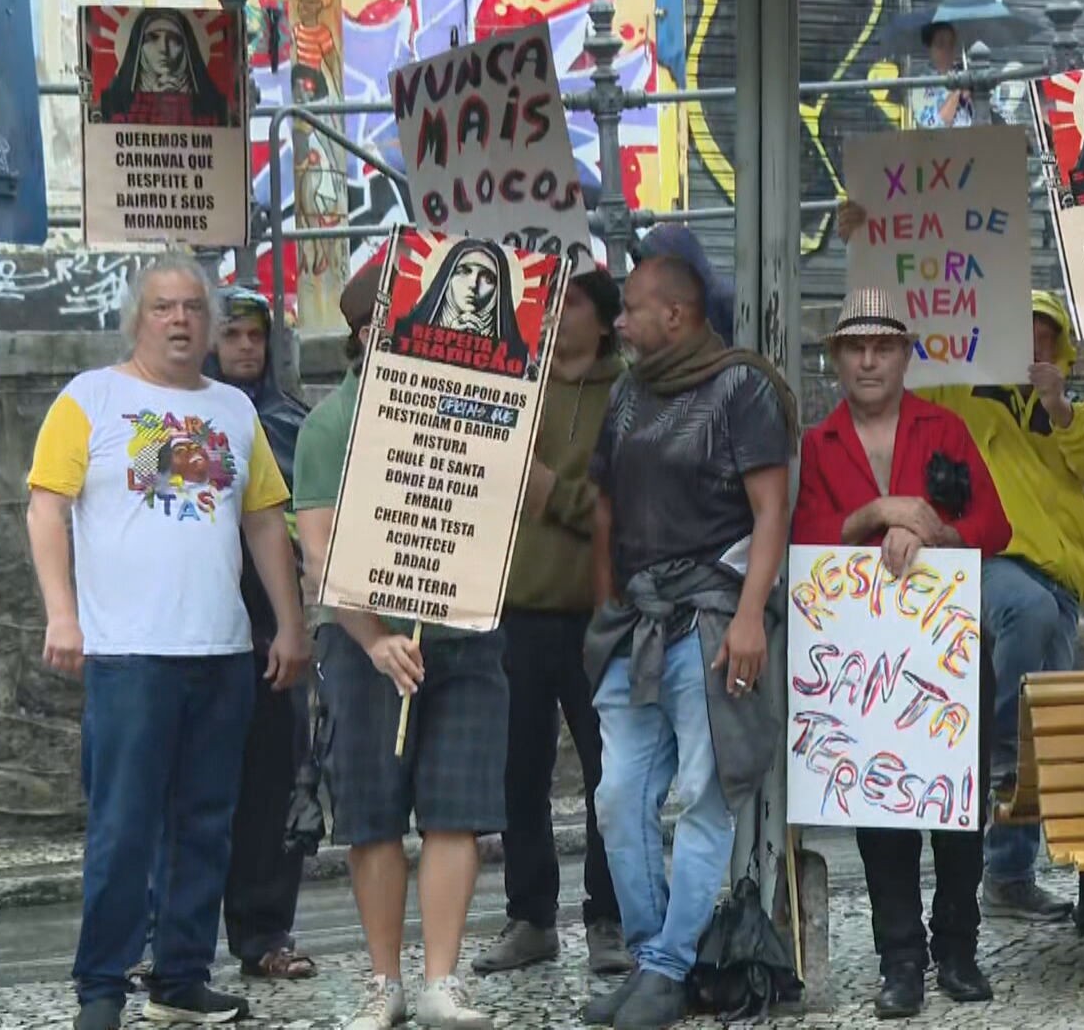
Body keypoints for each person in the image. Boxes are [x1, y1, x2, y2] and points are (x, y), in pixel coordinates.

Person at [29, 254, 310, 1030]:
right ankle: (102, 987)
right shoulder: (91, 399)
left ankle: (182, 977)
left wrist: (288, 622)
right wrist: (63, 614)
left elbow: (262, 521)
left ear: (211, 325)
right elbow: (47, 509)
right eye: (163, 307)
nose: (181, 319)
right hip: (129, 654)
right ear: (137, 319)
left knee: (205, 823)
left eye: (193, 307)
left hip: (219, 651)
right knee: (124, 827)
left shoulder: (234, 411)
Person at [833, 204, 1084, 924]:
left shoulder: (1074, 413)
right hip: (987, 567)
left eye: (1049, 338)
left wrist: (1059, 405)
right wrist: (867, 242)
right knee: (1024, 666)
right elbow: (912, 329)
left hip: (1057, 578)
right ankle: (1000, 760)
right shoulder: (954, 386)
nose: (1035, 345)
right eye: (1026, 332)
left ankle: (1009, 876)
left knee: (1043, 719)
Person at [580, 255, 796, 1030]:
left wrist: (748, 615)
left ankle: (667, 971)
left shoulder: (745, 387)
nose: (619, 323)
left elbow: (771, 512)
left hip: (711, 617)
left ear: (676, 314)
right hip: (635, 620)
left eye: (632, 308)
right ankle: (653, 958)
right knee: (617, 797)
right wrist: (608, 596)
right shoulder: (630, 392)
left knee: (704, 798)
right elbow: (605, 503)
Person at [294, 263, 506, 1030]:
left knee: (457, 813)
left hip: (465, 635)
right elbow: (320, 555)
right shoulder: (328, 427)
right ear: (368, 335)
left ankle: (440, 982)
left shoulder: (469, 407)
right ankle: (384, 982)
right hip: (363, 647)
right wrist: (376, 639)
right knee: (375, 817)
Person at [790, 289, 1011, 1018]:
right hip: (862, 663)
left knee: (957, 808)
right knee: (879, 811)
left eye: (882, 346)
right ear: (836, 359)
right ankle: (900, 960)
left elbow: (994, 525)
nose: (868, 360)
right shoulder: (817, 446)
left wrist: (935, 533)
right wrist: (880, 513)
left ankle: (957, 947)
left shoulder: (944, 428)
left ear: (905, 354)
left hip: (946, 649)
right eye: (855, 348)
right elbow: (805, 542)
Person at [473, 268, 632, 978]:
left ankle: (609, 917)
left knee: (612, 773)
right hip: (516, 612)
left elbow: (625, 503)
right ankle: (531, 916)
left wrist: (550, 494)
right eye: (547, 304)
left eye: (569, 305)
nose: (554, 317)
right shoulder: (512, 389)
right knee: (517, 772)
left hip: (597, 616)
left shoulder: (630, 396)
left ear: (603, 321)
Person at [202, 286, 318, 982]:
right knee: (184, 794)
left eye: (255, 336)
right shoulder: (177, 421)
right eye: (233, 335)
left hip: (272, 633)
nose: (245, 348)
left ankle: (265, 931)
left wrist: (295, 625)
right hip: (194, 629)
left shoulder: (294, 425)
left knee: (274, 788)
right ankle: (169, 942)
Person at [392, 238, 532, 376]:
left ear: (499, 291)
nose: (473, 284)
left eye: (488, 278)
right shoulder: (403, 334)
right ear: (447, 278)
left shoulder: (517, 358)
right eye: (464, 271)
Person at [98, 9, 232, 126]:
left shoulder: (214, 105)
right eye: (152, 38)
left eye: (174, 39)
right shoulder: (113, 102)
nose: (164, 48)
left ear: (187, 49)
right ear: (138, 47)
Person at [913, 22, 973, 129]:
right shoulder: (921, 85)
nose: (947, 50)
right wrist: (957, 91)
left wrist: (970, 98)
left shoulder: (966, 74)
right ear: (930, 49)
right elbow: (936, 126)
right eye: (941, 44)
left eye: (951, 44)